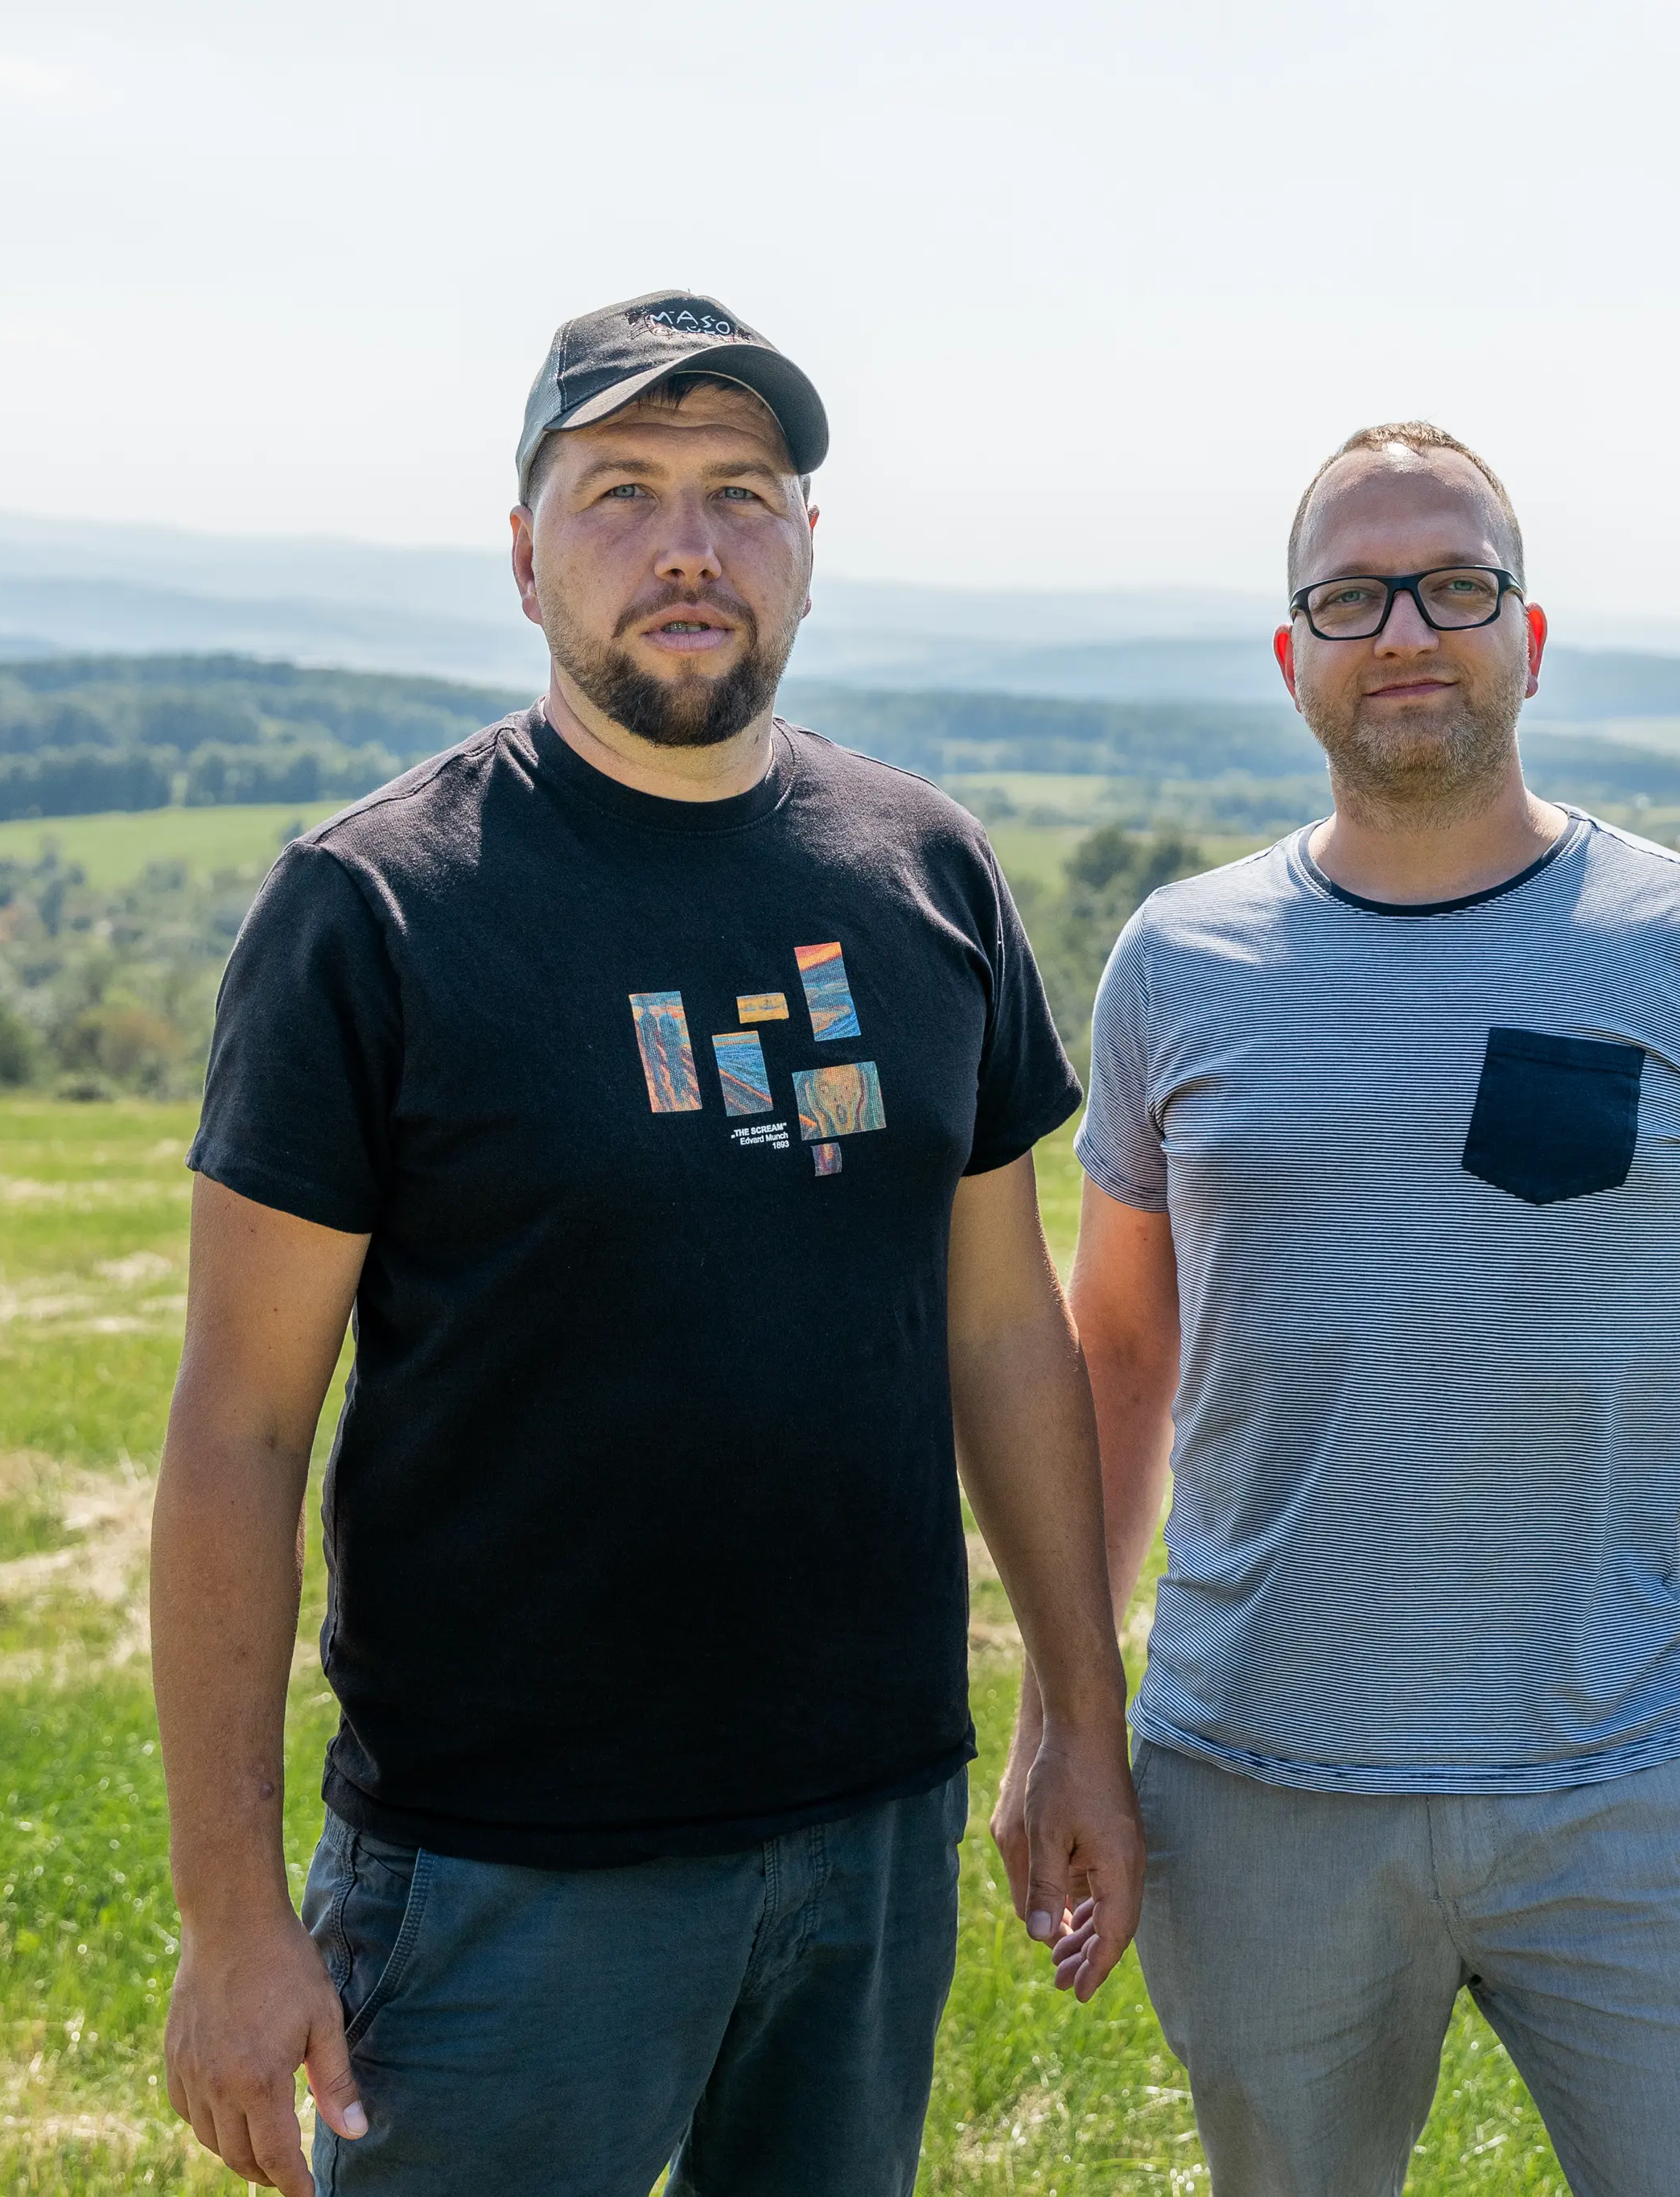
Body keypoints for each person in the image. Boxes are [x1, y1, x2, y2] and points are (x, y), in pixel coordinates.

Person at [153, 291, 1142, 2197]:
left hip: (870, 1834)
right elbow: (238, 1430)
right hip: (505, 1869)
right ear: (524, 556)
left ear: (805, 549)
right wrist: (229, 1917)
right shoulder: (372, 911)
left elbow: (1003, 1336)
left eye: (738, 493)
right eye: (618, 491)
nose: (687, 545)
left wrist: (1077, 1723)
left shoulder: (925, 874)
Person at [1002, 421, 1680, 2195]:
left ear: (1529, 637)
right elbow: (1113, 1360)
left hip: (1635, 1780)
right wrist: (1065, 1724)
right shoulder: (1176, 962)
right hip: (1253, 1791)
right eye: (1351, 597)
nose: (1405, 629)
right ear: (1291, 657)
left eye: (1454, 586)